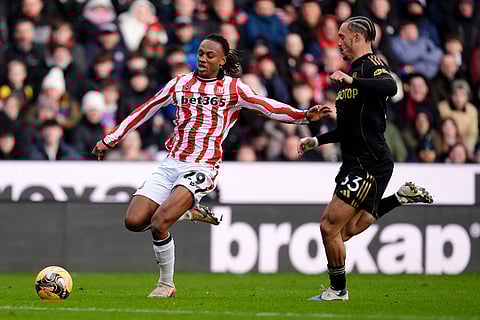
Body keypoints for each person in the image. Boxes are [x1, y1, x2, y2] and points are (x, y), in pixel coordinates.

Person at [91, 33, 330, 298]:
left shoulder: (234, 89)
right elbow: (145, 110)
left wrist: (303, 115)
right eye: (201, 54)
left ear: (222, 60)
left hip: (203, 167)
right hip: (171, 163)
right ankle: (186, 212)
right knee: (133, 221)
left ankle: (166, 285)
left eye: (209, 55)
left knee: (159, 223)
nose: (203, 59)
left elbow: (268, 107)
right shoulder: (179, 84)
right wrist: (110, 139)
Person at [297, 16, 434, 302]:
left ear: (358, 38)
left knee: (328, 227)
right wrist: (317, 140)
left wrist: (351, 80)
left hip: (368, 161)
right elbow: (348, 129)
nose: (339, 43)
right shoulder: (354, 73)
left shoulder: (372, 64)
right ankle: (399, 198)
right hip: (360, 159)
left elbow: (390, 87)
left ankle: (338, 291)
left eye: (342, 37)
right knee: (344, 232)